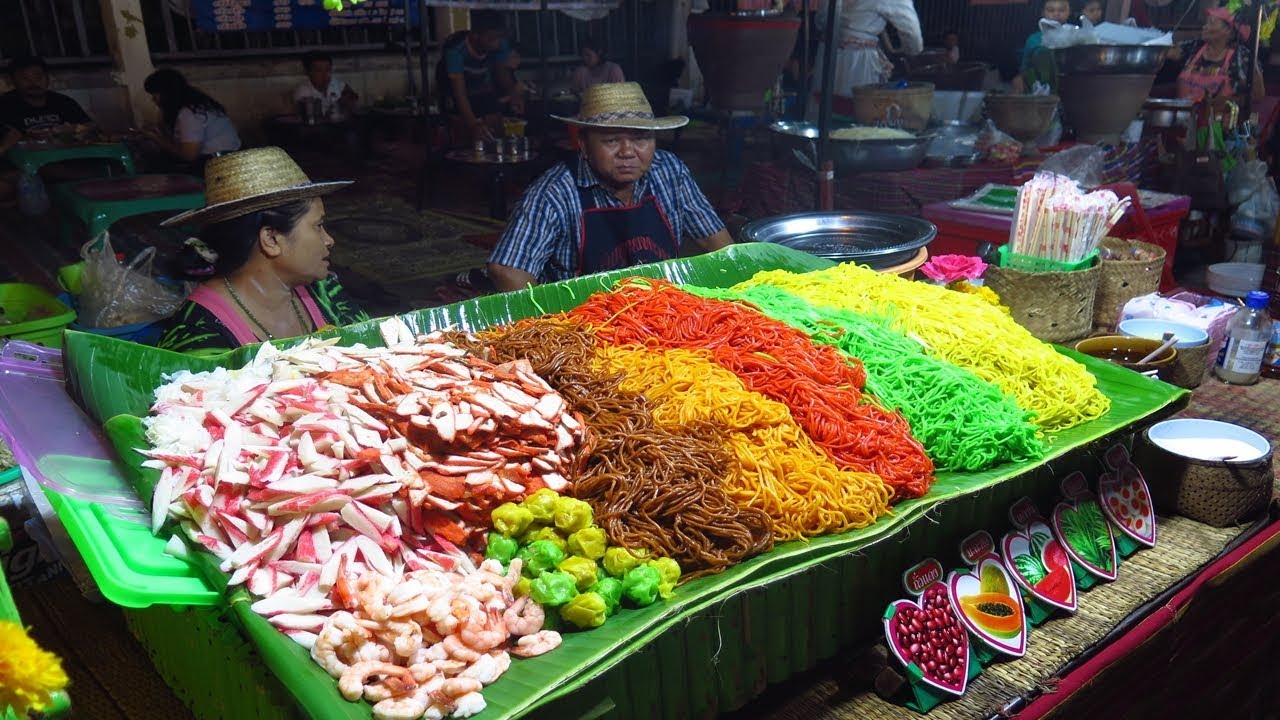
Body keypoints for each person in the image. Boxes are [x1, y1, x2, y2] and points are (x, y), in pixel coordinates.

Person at [486, 82, 732, 293]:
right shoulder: (554, 193)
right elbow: (507, 270)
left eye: (640, 139)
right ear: (583, 144)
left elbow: (717, 243)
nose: (627, 152)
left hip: (660, 311)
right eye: (611, 140)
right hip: (588, 324)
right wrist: (555, 329)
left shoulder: (669, 171)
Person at [155, 147, 368, 353]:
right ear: (271, 239)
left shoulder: (324, 293)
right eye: (318, 226)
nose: (329, 240)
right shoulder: (199, 334)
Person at [0, 55, 96, 204]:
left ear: (47, 78)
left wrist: (76, 130)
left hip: (63, 161)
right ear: (12, 81)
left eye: (38, 76)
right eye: (24, 78)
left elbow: (91, 127)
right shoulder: (5, 105)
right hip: (21, 167)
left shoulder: (63, 102)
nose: (33, 83)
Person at [807, 0, 923, 117]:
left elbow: (820, 20)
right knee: (857, 118)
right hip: (860, 60)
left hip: (826, 54)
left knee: (821, 114)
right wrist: (911, 51)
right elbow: (912, 33)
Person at [437, 11, 523, 144]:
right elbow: (459, 93)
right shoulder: (455, 50)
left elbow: (502, 72)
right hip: (455, 90)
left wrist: (513, 94)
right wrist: (473, 125)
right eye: (491, 39)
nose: (496, 44)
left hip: (482, 86)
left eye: (499, 38)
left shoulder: (500, 43)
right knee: (466, 133)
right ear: (475, 35)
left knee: (495, 128)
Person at [141, 69, 241, 168]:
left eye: (155, 94)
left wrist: (157, 139)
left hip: (222, 164)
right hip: (220, 159)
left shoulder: (190, 113)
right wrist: (158, 133)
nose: (153, 99)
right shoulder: (191, 107)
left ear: (167, 93)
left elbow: (189, 156)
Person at [1166, 7, 1264, 103]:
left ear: (1228, 31)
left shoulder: (1242, 56)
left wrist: (1224, 102)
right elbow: (1166, 52)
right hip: (1181, 114)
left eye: (1211, 23)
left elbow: (1257, 95)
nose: (1205, 26)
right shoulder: (1194, 47)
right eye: (1206, 23)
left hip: (1217, 117)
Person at [1010, 0, 1071, 94]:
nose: (1056, 14)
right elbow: (1024, 70)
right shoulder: (1033, 40)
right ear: (1043, 13)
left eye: (1062, 10)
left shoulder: (1075, 36)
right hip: (1039, 92)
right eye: (1051, 10)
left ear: (1069, 12)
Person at [293, 50, 359, 122]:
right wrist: (337, 105)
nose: (325, 75)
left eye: (328, 70)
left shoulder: (336, 83)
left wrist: (349, 101)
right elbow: (308, 118)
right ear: (308, 72)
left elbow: (353, 97)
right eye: (318, 71)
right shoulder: (302, 91)